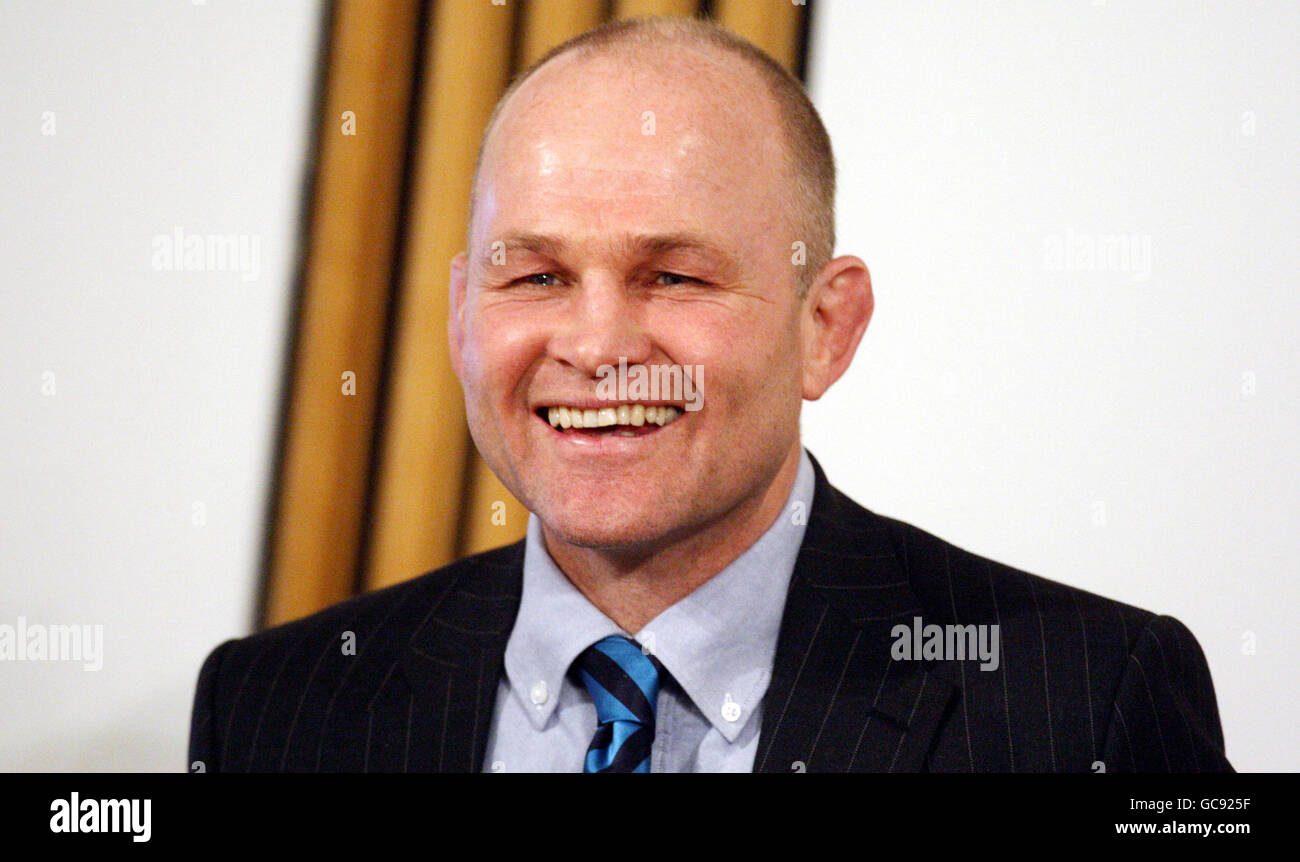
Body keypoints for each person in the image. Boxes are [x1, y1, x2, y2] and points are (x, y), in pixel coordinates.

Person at [188, 16, 1231, 773]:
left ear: (825, 326)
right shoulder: (276, 705)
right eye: (536, 275)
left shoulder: (1083, 703)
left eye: (674, 276)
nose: (597, 344)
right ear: (465, 316)